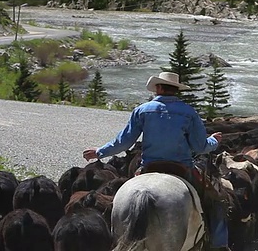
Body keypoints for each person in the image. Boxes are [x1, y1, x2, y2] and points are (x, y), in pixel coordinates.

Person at [82, 71, 229, 250]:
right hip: (181, 168)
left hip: (148, 167)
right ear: (176, 90)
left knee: (120, 199)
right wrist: (214, 141)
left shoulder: (142, 110)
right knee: (215, 201)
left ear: (158, 88)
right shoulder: (188, 112)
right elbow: (200, 147)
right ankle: (220, 245)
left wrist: (99, 152)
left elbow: (124, 141)